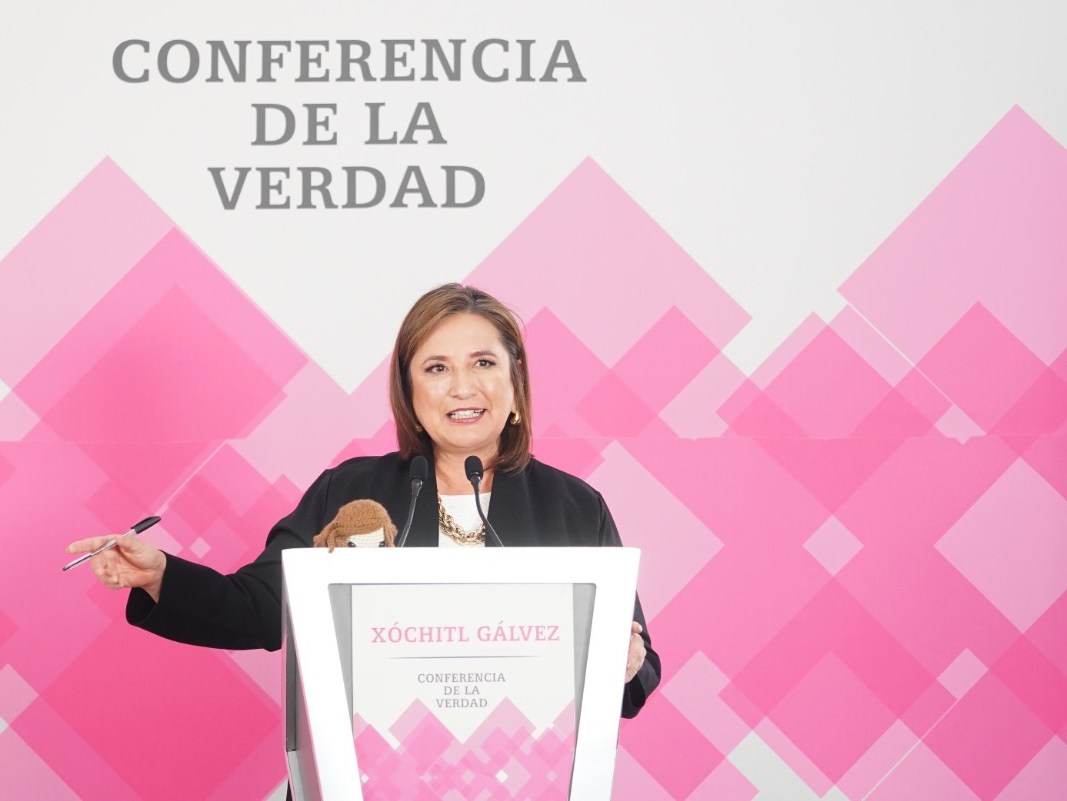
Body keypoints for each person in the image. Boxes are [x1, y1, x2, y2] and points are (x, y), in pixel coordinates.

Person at [65, 283, 660, 717]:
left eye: (483, 363)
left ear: (514, 382)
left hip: (518, 771)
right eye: (436, 368)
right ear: (409, 393)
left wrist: (626, 662)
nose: (462, 386)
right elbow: (262, 608)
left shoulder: (573, 506)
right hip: (366, 767)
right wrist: (160, 575)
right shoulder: (351, 490)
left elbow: (636, 670)